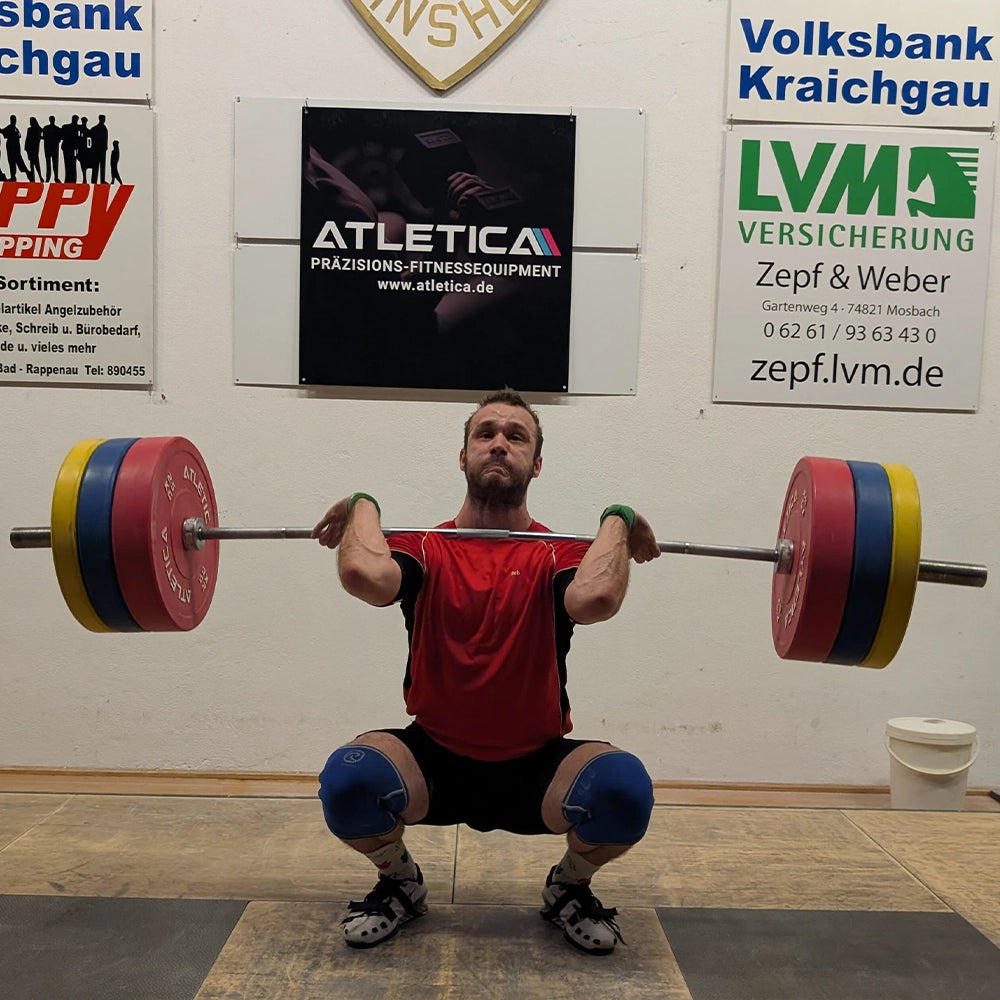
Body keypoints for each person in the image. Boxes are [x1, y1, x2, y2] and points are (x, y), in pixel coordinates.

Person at [312, 389, 661, 954]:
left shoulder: (556, 552)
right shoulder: (426, 546)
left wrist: (616, 520)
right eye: (486, 433)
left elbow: (596, 598)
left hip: (536, 768)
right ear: (463, 456)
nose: (499, 443)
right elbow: (363, 575)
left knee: (625, 790)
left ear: (537, 464)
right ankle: (400, 882)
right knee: (349, 779)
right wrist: (363, 505)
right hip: (433, 760)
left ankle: (569, 886)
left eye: (516, 436)